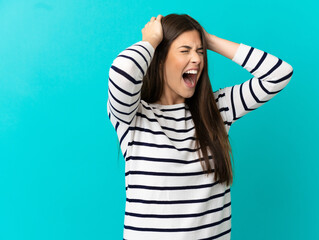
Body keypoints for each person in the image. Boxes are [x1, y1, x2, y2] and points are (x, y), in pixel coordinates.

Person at [107, 13, 293, 240]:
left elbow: (279, 74)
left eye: (200, 52)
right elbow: (121, 73)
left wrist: (208, 40)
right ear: (160, 58)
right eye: (185, 51)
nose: (197, 59)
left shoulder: (218, 109)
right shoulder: (133, 116)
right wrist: (151, 40)